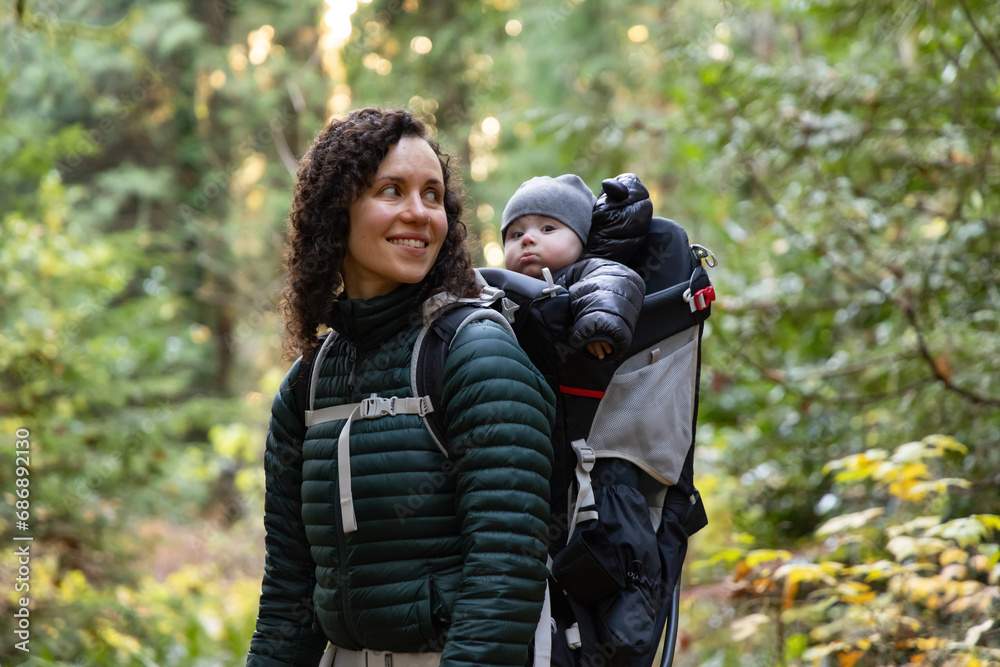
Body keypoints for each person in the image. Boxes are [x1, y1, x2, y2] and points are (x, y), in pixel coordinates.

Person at [247, 107, 557, 667]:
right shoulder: (307, 384)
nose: (419, 213)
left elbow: (505, 576)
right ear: (336, 209)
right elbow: (289, 594)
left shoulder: (475, 353)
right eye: (392, 190)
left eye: (433, 195)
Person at [501, 173, 648, 362]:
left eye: (547, 229)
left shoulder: (588, 270)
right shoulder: (503, 289)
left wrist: (597, 324)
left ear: (582, 238)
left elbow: (613, 281)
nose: (527, 239)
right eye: (516, 234)